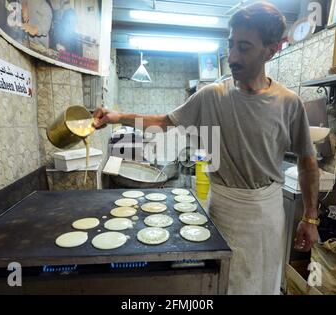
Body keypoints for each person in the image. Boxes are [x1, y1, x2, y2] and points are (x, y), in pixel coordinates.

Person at [93, 2, 320, 295]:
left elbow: (307, 162)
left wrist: (310, 217)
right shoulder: (212, 95)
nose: (233, 56)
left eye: (244, 47)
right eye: (230, 44)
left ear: (271, 50)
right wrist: (117, 117)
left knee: (263, 282)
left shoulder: (289, 103)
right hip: (224, 209)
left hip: (266, 213)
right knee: (223, 284)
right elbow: (165, 122)